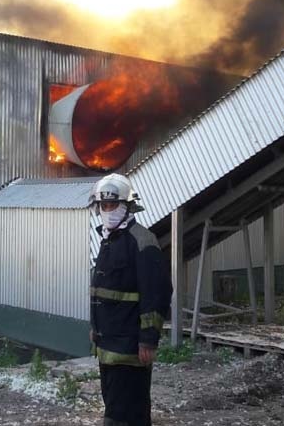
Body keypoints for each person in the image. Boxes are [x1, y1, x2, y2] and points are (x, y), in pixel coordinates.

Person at [89, 174, 172, 426]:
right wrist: (94, 329)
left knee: (121, 414)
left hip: (129, 348)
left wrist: (148, 339)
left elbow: (157, 293)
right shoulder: (109, 240)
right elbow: (102, 291)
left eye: (113, 205)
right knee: (123, 408)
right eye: (104, 205)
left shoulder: (142, 241)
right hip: (107, 346)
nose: (107, 210)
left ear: (128, 206)